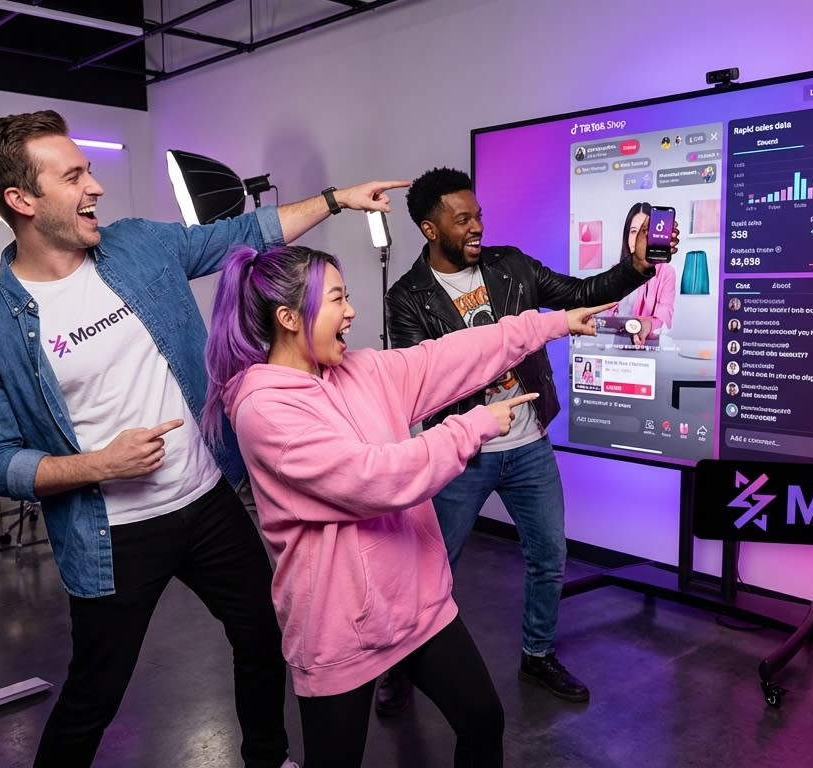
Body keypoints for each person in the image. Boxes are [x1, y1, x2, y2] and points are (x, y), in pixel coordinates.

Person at [0, 108, 406, 768]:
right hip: (113, 533)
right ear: (21, 200)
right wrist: (94, 465)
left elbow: (243, 233)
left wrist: (337, 199)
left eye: (90, 169)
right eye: (74, 174)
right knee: (94, 694)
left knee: (260, 635)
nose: (95, 186)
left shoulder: (136, 246)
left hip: (206, 500)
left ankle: (266, 758)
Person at [203, 243, 611, 767]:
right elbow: (375, 479)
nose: (350, 311)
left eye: (347, 296)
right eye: (336, 299)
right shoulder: (265, 411)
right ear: (288, 317)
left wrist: (548, 324)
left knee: (483, 720)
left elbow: (446, 356)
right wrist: (472, 428)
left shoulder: (360, 371)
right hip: (339, 626)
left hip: (417, 606)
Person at [380, 167, 673, 713]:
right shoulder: (407, 299)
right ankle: (401, 661)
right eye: (461, 219)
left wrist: (637, 265)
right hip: (459, 454)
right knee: (431, 569)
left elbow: (580, 293)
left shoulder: (509, 265)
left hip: (528, 443)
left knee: (550, 555)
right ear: (429, 228)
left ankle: (537, 654)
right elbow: (423, 383)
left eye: (479, 215)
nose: (476, 227)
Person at [604, 202, 677, 347]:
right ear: (626, 235)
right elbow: (606, 314)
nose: (637, 238)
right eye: (633, 231)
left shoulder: (666, 272)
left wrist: (645, 325)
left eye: (643, 232)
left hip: (649, 345)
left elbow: (664, 317)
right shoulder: (615, 270)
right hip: (617, 343)